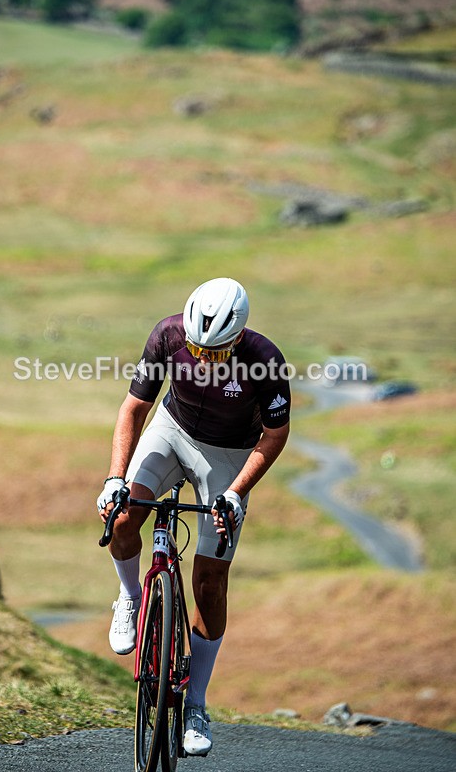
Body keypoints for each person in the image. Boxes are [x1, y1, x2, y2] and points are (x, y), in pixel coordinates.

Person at [97, 277, 290, 756]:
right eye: (195, 349)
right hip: (173, 428)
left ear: (238, 338)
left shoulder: (265, 361)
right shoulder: (167, 334)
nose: (202, 360)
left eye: (215, 353)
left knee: (209, 580)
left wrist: (237, 492)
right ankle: (129, 597)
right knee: (123, 519)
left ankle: (196, 703)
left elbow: (275, 435)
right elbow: (135, 407)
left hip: (229, 454)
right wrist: (114, 477)